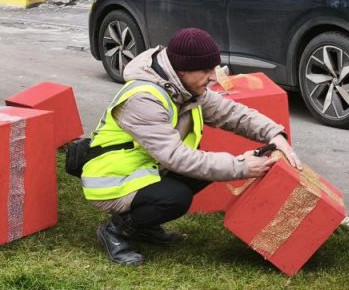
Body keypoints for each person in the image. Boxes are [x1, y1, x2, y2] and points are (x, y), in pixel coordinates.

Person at [82, 27, 301, 266]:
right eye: (206, 70)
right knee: (176, 197)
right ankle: (115, 231)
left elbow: (232, 113)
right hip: (111, 179)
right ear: (182, 70)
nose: (213, 77)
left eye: (214, 69)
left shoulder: (183, 87)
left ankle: (143, 226)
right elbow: (175, 157)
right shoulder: (143, 98)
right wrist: (242, 166)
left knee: (211, 169)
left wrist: (274, 134)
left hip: (144, 169)